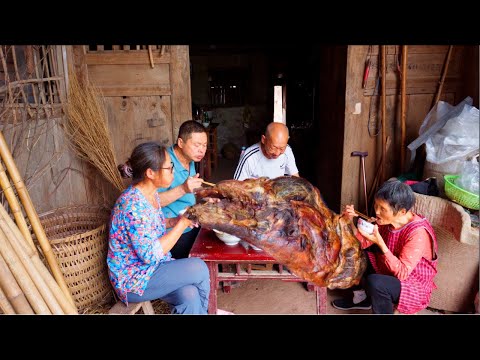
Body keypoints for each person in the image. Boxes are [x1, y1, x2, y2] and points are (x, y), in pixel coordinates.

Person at [107, 142, 210, 314]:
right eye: (169, 168)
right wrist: (182, 223)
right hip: (133, 278)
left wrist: (174, 221)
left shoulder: (149, 193)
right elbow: (150, 254)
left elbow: (152, 226)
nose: (173, 170)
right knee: (199, 268)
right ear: (150, 173)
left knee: (189, 294)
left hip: (152, 268)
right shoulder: (132, 206)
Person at [332, 179, 438, 314]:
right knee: (356, 255)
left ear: (402, 212)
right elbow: (362, 244)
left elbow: (402, 273)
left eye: (383, 209)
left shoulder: (417, 233)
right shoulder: (386, 221)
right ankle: (362, 299)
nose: (377, 212)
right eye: (376, 206)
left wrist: (380, 243)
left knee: (376, 283)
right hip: (389, 270)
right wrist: (349, 222)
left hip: (412, 284)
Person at [157, 120, 208, 259]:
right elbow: (152, 202)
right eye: (197, 145)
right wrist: (183, 189)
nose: (201, 150)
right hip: (170, 231)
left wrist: (206, 196)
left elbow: (191, 190)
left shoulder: (189, 159)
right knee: (205, 253)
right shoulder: (165, 163)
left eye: (204, 145)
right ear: (181, 143)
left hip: (188, 222)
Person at [234, 122, 299, 181]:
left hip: (277, 190)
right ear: (264, 140)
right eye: (273, 147)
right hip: (255, 192)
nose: (277, 153)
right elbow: (237, 185)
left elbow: (295, 177)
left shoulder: (287, 150)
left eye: (282, 149)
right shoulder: (250, 156)